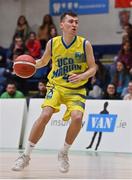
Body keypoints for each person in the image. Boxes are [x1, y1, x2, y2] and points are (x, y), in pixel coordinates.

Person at [12, 12, 96, 173]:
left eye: (76, 22)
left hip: (76, 89)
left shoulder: (85, 44)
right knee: (45, 114)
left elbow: (93, 68)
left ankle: (63, 152)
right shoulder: (52, 43)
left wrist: (82, 76)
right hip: (56, 86)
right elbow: (43, 62)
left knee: (77, 118)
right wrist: (22, 66)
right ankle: (25, 156)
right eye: (71, 22)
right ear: (62, 25)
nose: (74, 25)